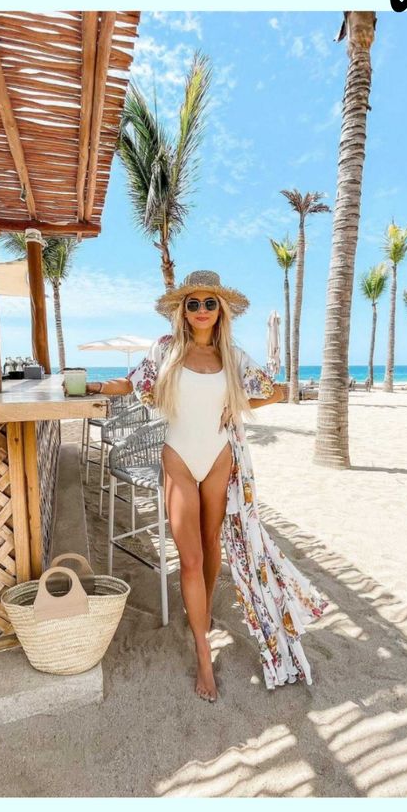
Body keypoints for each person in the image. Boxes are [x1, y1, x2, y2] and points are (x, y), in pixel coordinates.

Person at [80, 270, 329, 702]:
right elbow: (132, 384)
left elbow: (274, 390)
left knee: (213, 544)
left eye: (208, 303)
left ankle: (204, 610)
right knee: (190, 558)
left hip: (219, 459)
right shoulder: (166, 349)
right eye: (192, 304)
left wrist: (237, 405)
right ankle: (201, 650)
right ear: (182, 310)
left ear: (220, 310)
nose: (200, 311)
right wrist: (97, 384)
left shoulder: (232, 355)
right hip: (177, 458)